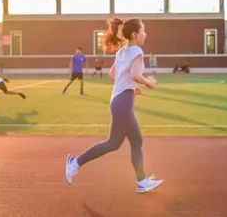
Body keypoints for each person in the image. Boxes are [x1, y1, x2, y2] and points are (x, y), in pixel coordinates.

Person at [65, 17, 164, 193]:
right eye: (143, 30)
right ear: (135, 34)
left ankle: (142, 181)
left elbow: (113, 74)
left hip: (120, 100)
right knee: (113, 143)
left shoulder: (122, 52)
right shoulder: (137, 51)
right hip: (123, 103)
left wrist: (130, 88)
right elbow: (134, 74)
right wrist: (148, 83)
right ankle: (75, 162)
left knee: (136, 140)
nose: (145, 34)